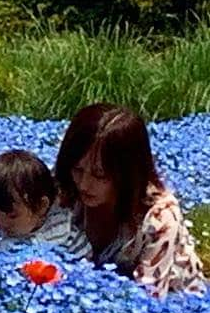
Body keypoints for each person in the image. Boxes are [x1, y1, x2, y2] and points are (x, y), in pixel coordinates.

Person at [54, 103, 205, 299]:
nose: (84, 184)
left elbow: (149, 300)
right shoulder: (64, 191)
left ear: (128, 173)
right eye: (77, 170)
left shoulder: (160, 217)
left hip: (176, 308)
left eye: (99, 175)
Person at [0, 149, 92, 258]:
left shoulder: (66, 236)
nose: (3, 223)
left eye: (13, 216)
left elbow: (86, 266)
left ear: (41, 206)